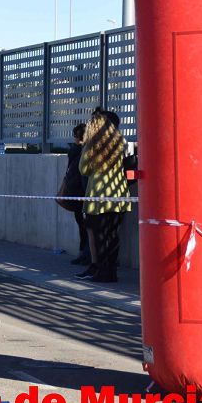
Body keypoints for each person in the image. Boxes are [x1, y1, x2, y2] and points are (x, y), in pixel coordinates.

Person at [78, 109, 133, 283]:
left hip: (98, 196)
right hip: (119, 195)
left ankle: (102, 272)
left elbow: (83, 170)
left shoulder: (91, 145)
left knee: (99, 235)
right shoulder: (121, 143)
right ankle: (112, 272)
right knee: (113, 235)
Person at [63, 123, 91, 267]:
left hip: (78, 190)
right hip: (86, 190)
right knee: (87, 225)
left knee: (83, 225)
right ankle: (85, 253)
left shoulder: (77, 150)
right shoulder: (88, 149)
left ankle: (84, 253)